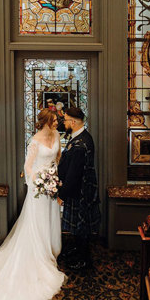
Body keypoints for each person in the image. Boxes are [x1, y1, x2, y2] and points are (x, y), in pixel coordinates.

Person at [0, 108, 65, 300]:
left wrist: (53, 179)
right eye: (54, 121)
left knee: (51, 221)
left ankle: (51, 251)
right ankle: (39, 256)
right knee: (37, 223)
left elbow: (58, 159)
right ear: (45, 122)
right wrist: (39, 181)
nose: (57, 123)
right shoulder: (34, 141)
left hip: (51, 188)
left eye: (57, 120)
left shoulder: (57, 136)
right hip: (38, 190)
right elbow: (27, 167)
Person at [58, 107, 101, 270]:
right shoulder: (81, 136)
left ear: (74, 122)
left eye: (66, 120)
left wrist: (62, 194)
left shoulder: (80, 144)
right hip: (81, 190)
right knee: (78, 227)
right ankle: (78, 250)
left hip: (80, 192)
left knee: (81, 227)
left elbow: (73, 175)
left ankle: (84, 260)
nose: (64, 123)